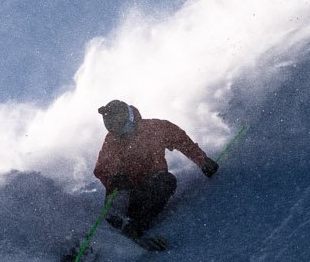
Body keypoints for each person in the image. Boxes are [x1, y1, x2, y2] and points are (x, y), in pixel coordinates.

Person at [92, 99, 218, 239]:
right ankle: (116, 220)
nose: (119, 131)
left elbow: (181, 140)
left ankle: (136, 225)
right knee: (119, 197)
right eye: (112, 127)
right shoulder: (112, 141)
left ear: (130, 117)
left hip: (150, 188)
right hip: (126, 191)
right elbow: (101, 169)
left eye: (121, 124)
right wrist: (113, 180)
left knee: (167, 181)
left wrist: (203, 161)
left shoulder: (155, 128)